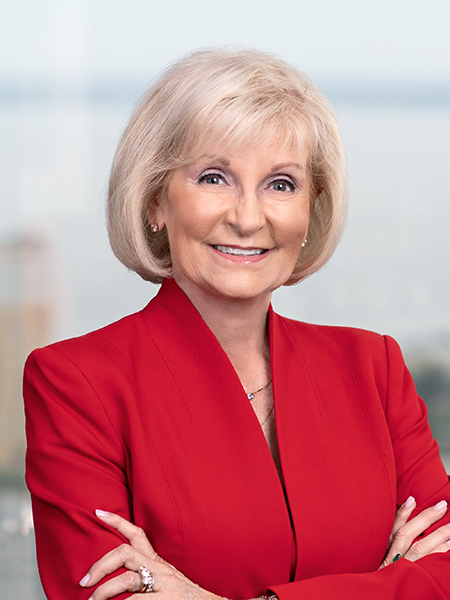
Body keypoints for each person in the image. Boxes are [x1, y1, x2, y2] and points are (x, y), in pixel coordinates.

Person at [23, 48, 450, 600]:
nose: (248, 218)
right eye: (214, 178)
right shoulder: (75, 383)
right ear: (155, 202)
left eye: (281, 184)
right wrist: (387, 583)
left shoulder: (374, 369)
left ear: (310, 209)